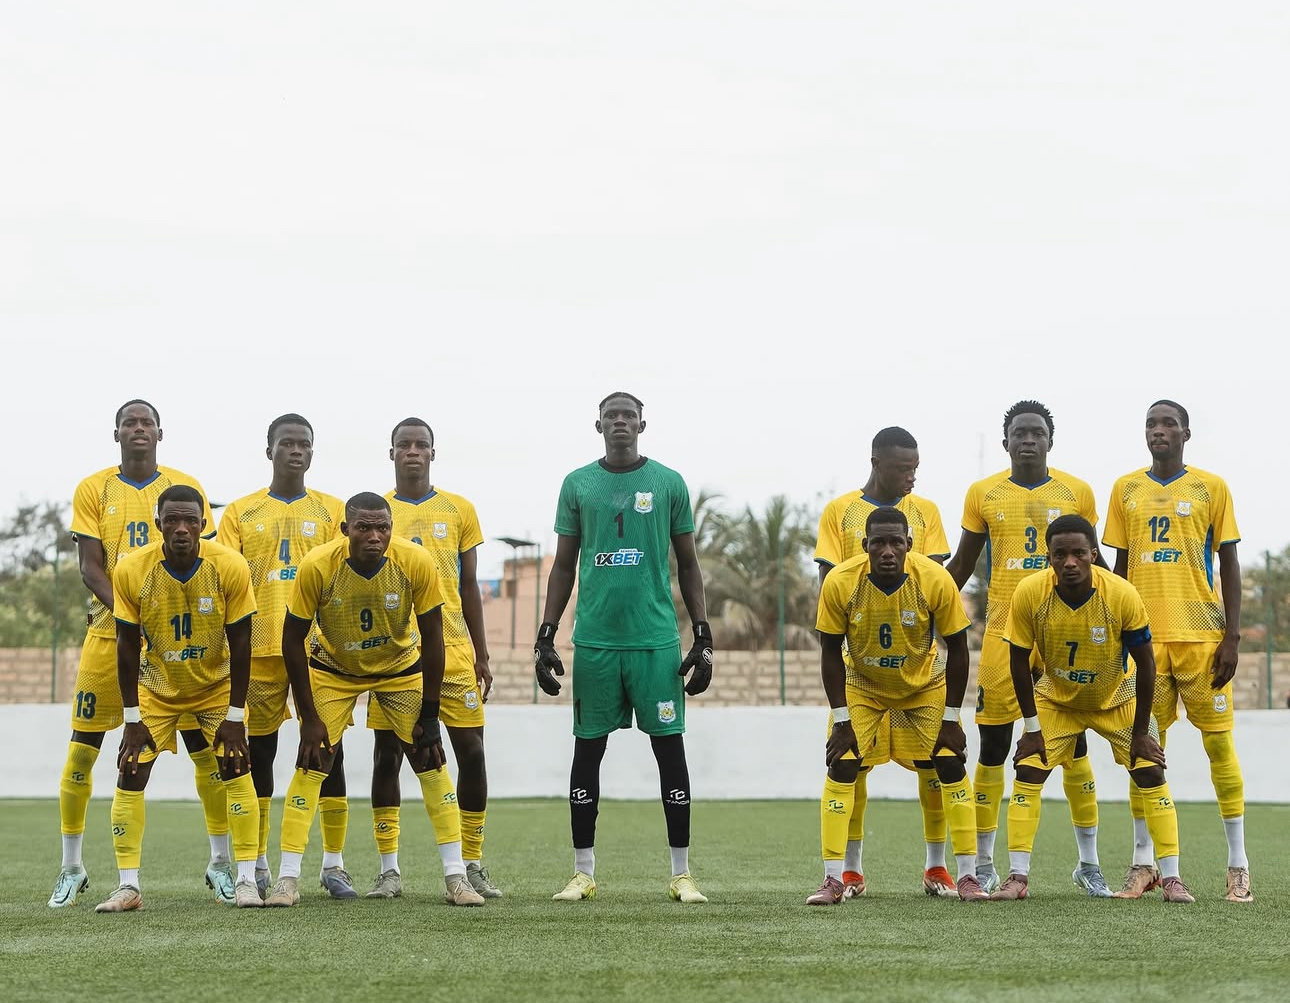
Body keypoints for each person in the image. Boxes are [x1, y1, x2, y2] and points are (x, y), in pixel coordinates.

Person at [50, 400, 235, 908]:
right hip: (112, 636)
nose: (138, 429)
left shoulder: (183, 486)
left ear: (160, 433)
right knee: (83, 753)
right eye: (129, 422)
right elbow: (91, 568)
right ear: (117, 434)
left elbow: (209, 561)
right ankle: (71, 866)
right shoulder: (94, 488)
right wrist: (134, 615)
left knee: (207, 752)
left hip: (181, 646)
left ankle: (220, 863)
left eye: (146, 422)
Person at [263, 493, 485, 907]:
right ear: (345, 530)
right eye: (363, 527)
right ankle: (288, 879)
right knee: (312, 762)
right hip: (334, 670)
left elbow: (434, 636)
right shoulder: (317, 566)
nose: (374, 536)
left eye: (382, 527)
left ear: (391, 529)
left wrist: (431, 713)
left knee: (430, 758)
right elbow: (291, 639)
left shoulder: (414, 562)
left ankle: (457, 877)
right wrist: (308, 717)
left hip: (399, 669)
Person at [534, 391, 712, 904]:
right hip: (594, 643)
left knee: (669, 752)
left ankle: (681, 874)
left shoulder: (668, 483)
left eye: (627, 416)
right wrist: (547, 634)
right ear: (598, 426)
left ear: (642, 424)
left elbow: (689, 564)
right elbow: (564, 565)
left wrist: (702, 633)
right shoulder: (577, 484)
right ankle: (583, 872)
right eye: (611, 416)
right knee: (587, 751)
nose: (619, 423)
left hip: (655, 643)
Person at [944, 400, 1110, 897]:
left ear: (1050, 440)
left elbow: (1093, 558)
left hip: (1065, 632)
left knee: (1074, 744)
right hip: (1003, 630)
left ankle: (1088, 863)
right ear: (1006, 441)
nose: (1029, 439)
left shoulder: (1076, 491)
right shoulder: (983, 492)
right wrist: (929, 604)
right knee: (994, 746)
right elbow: (963, 563)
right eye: (1020, 433)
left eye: (1037, 432)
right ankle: (985, 862)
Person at [991, 514, 1194, 903]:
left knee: (1150, 770)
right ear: (1048, 556)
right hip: (1057, 699)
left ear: (1093, 554)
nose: (1070, 562)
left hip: (1116, 696)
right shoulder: (1030, 593)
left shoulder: (1120, 593)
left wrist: (1139, 734)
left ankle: (1171, 878)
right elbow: (1018, 660)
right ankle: (1017, 876)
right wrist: (1032, 728)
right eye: (1060, 554)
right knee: (1028, 769)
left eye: (1079, 553)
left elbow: (1146, 663)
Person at [1103, 400, 1251, 902]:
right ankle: (1144, 863)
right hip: (1142, 641)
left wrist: (1231, 635)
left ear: (1187, 433)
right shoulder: (1125, 488)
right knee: (1141, 748)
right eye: (1150, 424)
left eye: (1168, 424)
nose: (1158, 431)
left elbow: (1228, 562)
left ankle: (1238, 866)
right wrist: (1114, 634)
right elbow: (1118, 568)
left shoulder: (1212, 486)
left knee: (1218, 747)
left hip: (1201, 638)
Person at [94, 485, 263, 911]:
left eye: (191, 520)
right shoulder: (133, 569)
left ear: (205, 525)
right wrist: (132, 719)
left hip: (214, 686)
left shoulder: (230, 566)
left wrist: (236, 715)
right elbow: (126, 646)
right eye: (172, 520)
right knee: (130, 769)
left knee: (236, 765)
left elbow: (242, 644)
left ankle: (244, 879)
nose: (182, 528)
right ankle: (128, 886)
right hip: (158, 687)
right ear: (158, 525)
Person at [808, 507, 984, 904]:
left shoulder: (934, 579)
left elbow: (958, 648)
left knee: (948, 761)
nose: (887, 551)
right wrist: (840, 719)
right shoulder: (839, 582)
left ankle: (964, 875)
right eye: (878, 543)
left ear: (908, 544)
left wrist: (953, 718)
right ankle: (836, 877)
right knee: (844, 762)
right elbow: (830, 653)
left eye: (895, 542)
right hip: (862, 683)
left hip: (922, 684)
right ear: (865, 546)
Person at [814, 426, 958, 898]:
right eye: (903, 467)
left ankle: (939, 868)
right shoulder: (840, 512)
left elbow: (934, 585)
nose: (912, 476)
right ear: (876, 462)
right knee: (849, 765)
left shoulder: (928, 512)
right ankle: (847, 873)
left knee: (935, 765)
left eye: (916, 467)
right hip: (863, 671)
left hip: (919, 674)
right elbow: (829, 587)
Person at [359, 418, 496, 900]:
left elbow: (468, 585)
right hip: (394, 651)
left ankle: (473, 862)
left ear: (433, 454)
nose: (412, 451)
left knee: (471, 753)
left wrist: (481, 652)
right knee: (387, 756)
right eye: (404, 445)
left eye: (421, 445)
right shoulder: (376, 512)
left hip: (453, 649)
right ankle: (389, 869)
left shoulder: (459, 509)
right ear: (391, 453)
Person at [215, 414, 347, 899]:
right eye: (287, 443)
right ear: (268, 450)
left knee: (329, 752)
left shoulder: (334, 511)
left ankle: (333, 864)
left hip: (320, 651)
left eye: (304, 444)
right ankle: (261, 863)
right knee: (261, 753)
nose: (296, 450)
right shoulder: (240, 513)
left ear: (313, 453)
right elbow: (224, 581)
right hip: (262, 650)